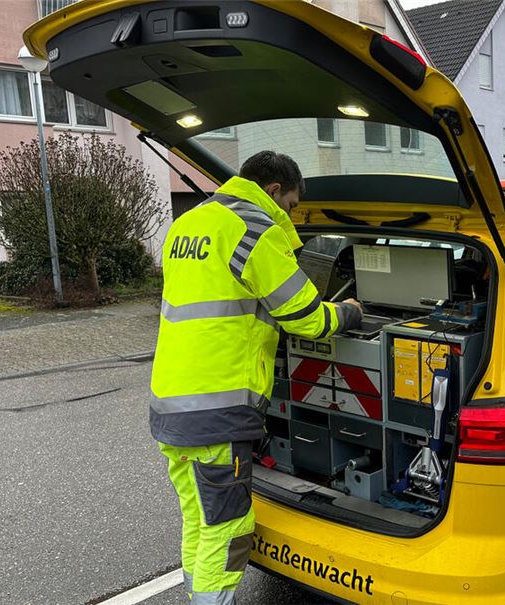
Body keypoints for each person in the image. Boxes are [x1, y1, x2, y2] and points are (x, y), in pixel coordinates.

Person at [150, 150, 362, 604]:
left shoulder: (189, 223)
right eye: (291, 205)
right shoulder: (256, 230)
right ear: (273, 191)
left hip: (172, 401)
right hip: (218, 408)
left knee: (200, 521)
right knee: (228, 531)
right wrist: (347, 313)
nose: (290, 215)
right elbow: (305, 316)